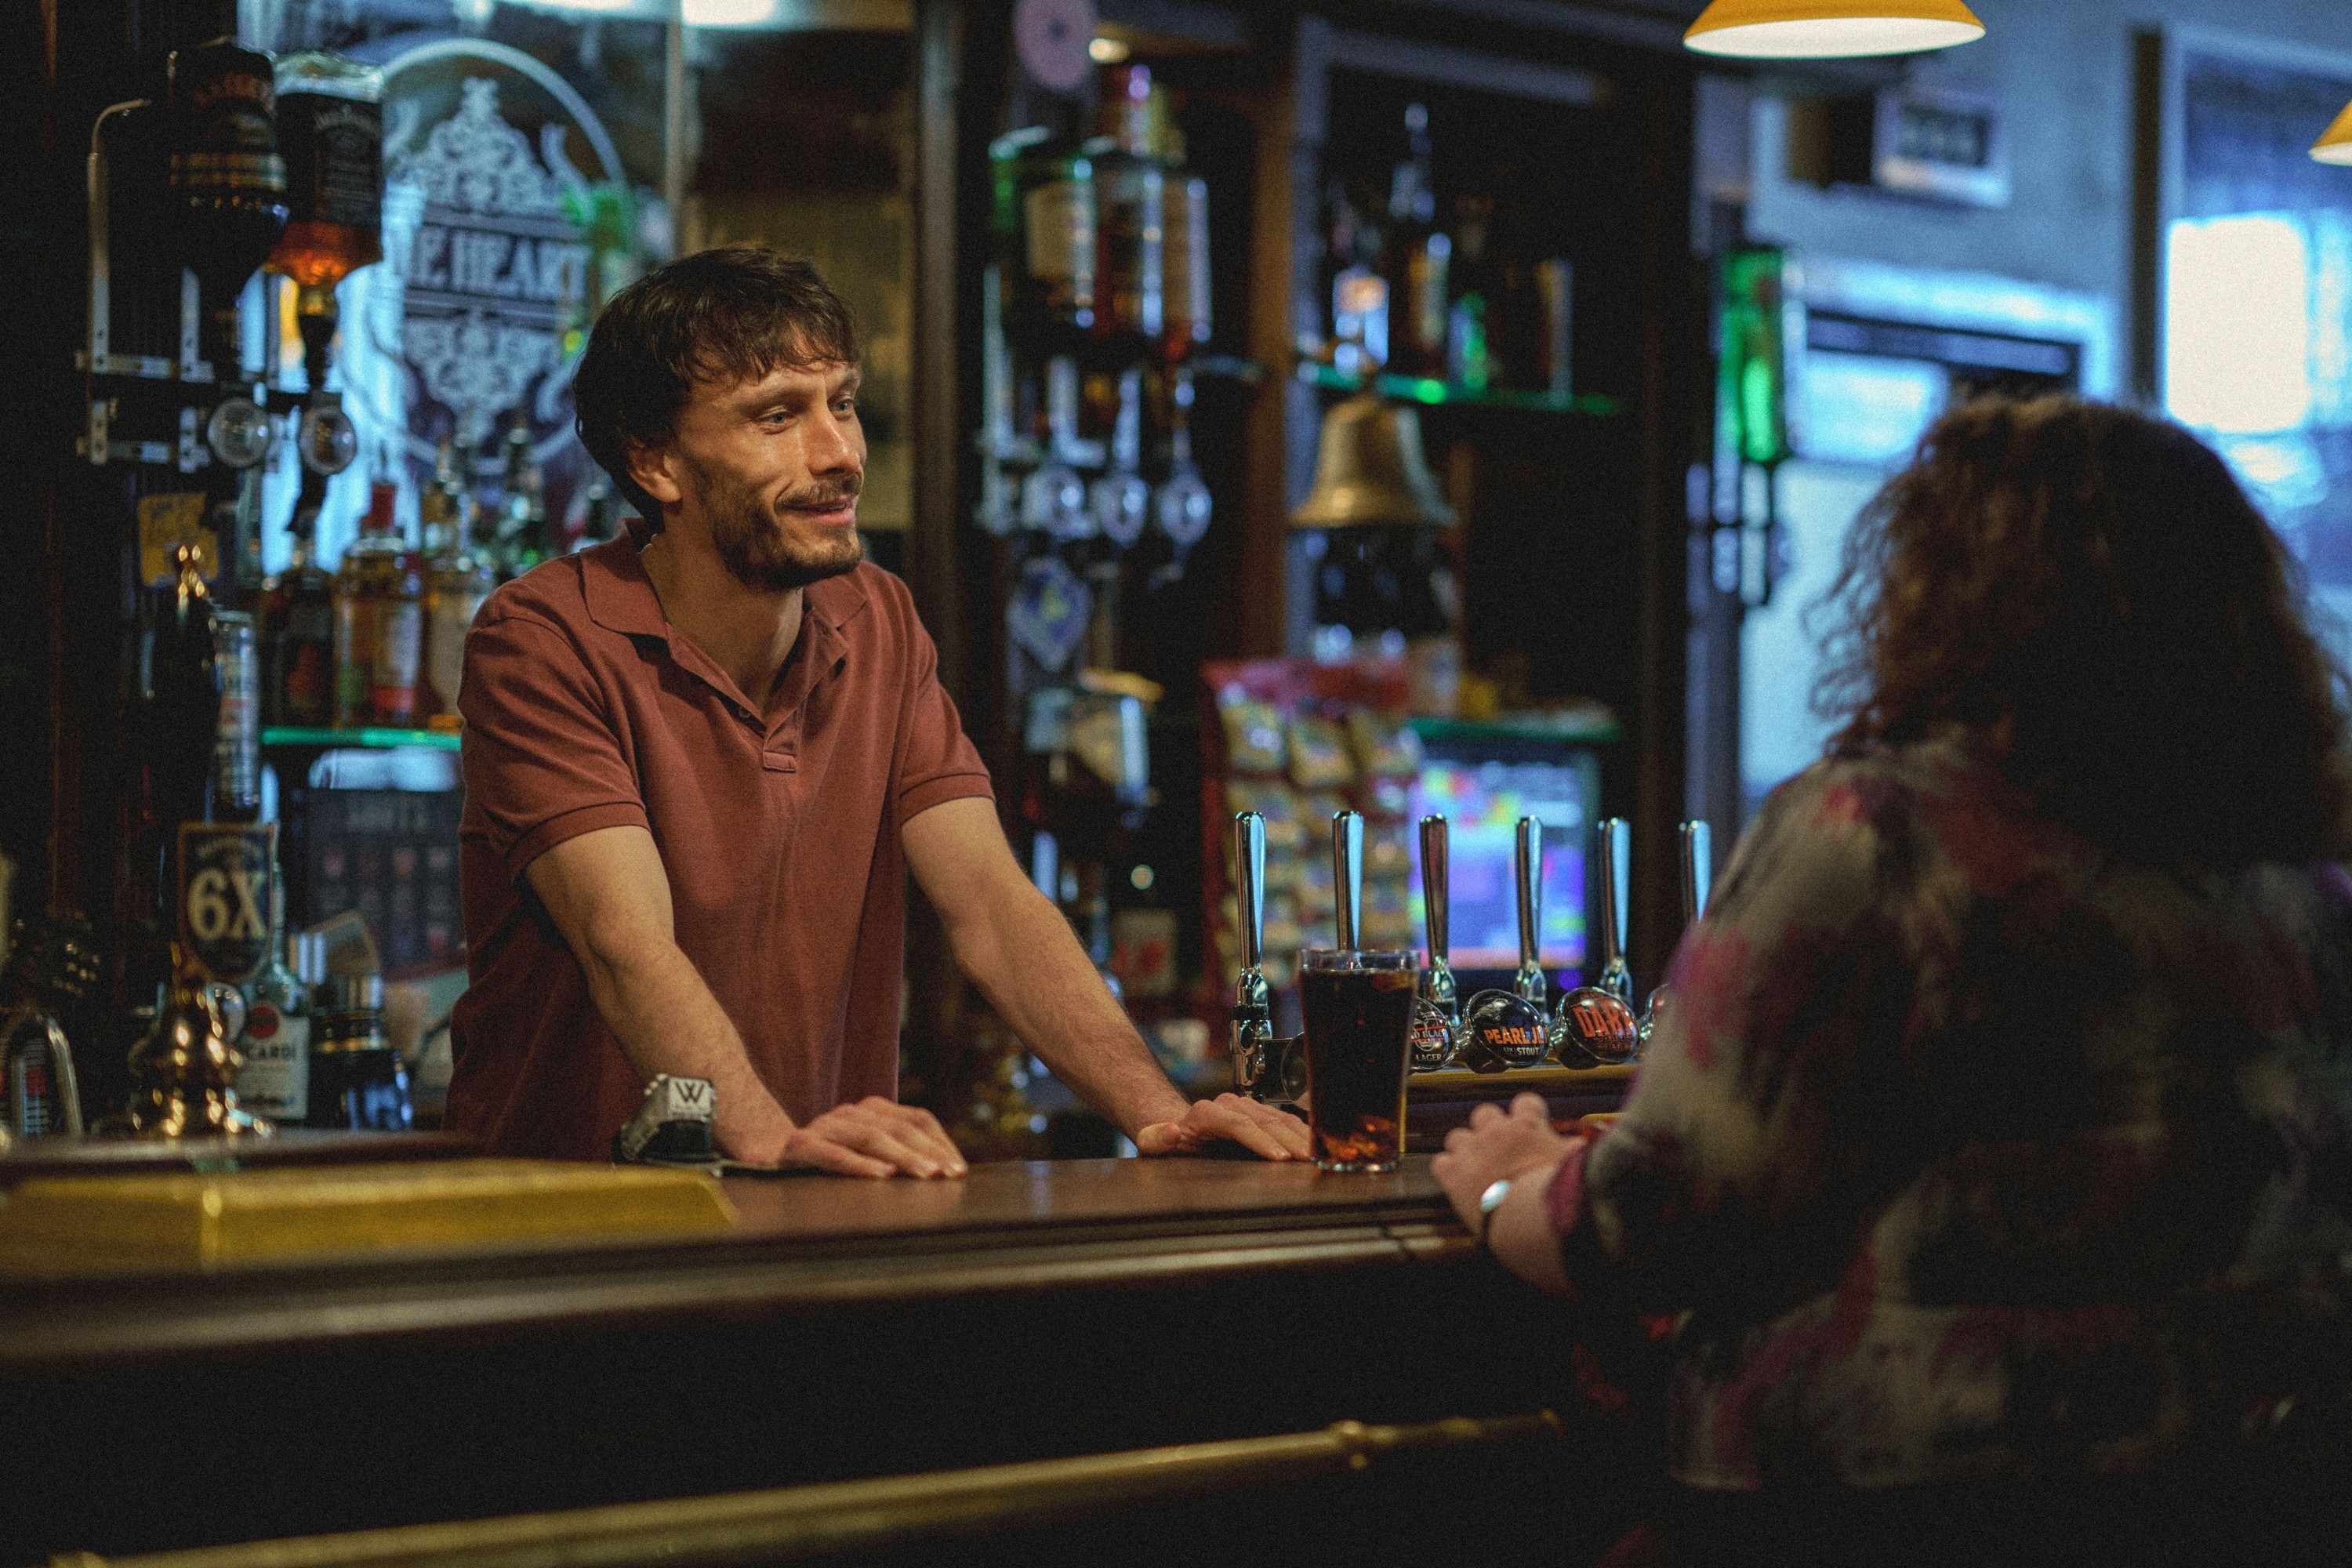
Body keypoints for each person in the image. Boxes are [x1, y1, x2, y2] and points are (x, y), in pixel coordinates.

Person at [1436, 397, 2352, 1564]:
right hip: (2250, 1495)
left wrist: (1514, 1188)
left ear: (1942, 593)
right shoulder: (2305, 886)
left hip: (1897, 1501)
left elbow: (1653, 1223)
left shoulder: (1875, 831)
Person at [447, 245, 1307, 1174]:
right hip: (576, 1230)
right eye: (778, 416)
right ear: (658, 463)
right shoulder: (543, 638)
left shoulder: (878, 619)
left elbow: (989, 901)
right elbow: (625, 941)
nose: (841, 453)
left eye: (842, 403)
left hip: (816, 1208)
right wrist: (773, 1140)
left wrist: (1159, 1116)